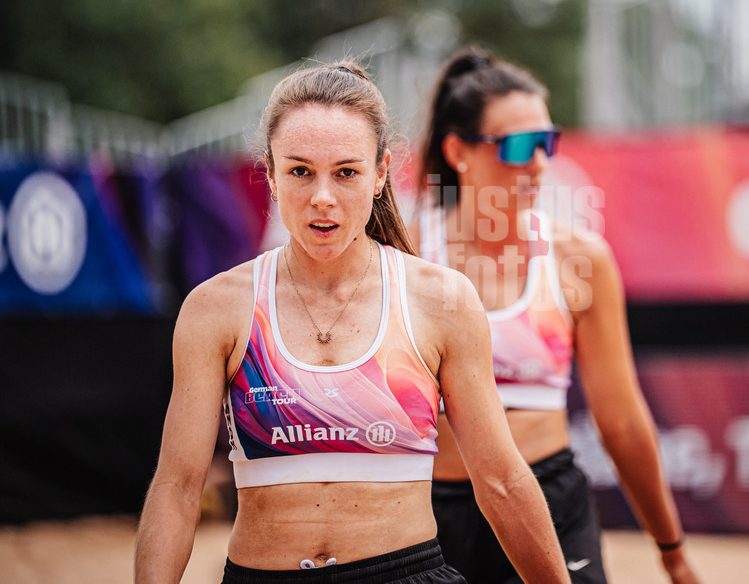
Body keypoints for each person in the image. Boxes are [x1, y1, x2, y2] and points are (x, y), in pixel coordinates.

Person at [134, 60, 571, 584]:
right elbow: (178, 489)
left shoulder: (442, 300)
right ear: (270, 173)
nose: (323, 197)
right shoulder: (216, 308)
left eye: (346, 172)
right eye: (300, 171)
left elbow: (501, 480)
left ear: (381, 173)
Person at [411, 46, 702, 584]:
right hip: (428, 512)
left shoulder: (578, 259)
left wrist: (673, 552)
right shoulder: (404, 255)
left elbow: (621, 421)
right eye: (520, 145)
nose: (540, 163)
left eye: (547, 142)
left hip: (550, 503)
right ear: (457, 150)